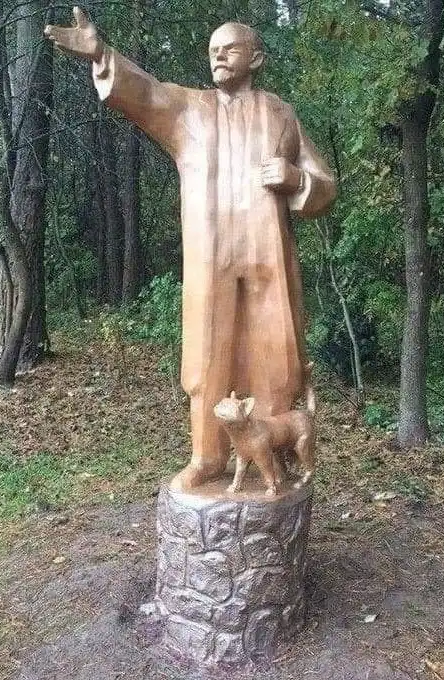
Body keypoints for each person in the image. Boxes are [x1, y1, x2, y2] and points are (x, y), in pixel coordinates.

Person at [45, 8, 336, 491]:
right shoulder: (189, 109)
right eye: (213, 50)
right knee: (206, 356)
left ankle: (271, 455)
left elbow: (324, 183)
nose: (218, 56)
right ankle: (208, 456)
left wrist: (296, 179)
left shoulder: (282, 115)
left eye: (230, 49)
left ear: (256, 58)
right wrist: (101, 53)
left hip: (267, 253)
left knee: (277, 356)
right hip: (210, 253)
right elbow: (146, 93)